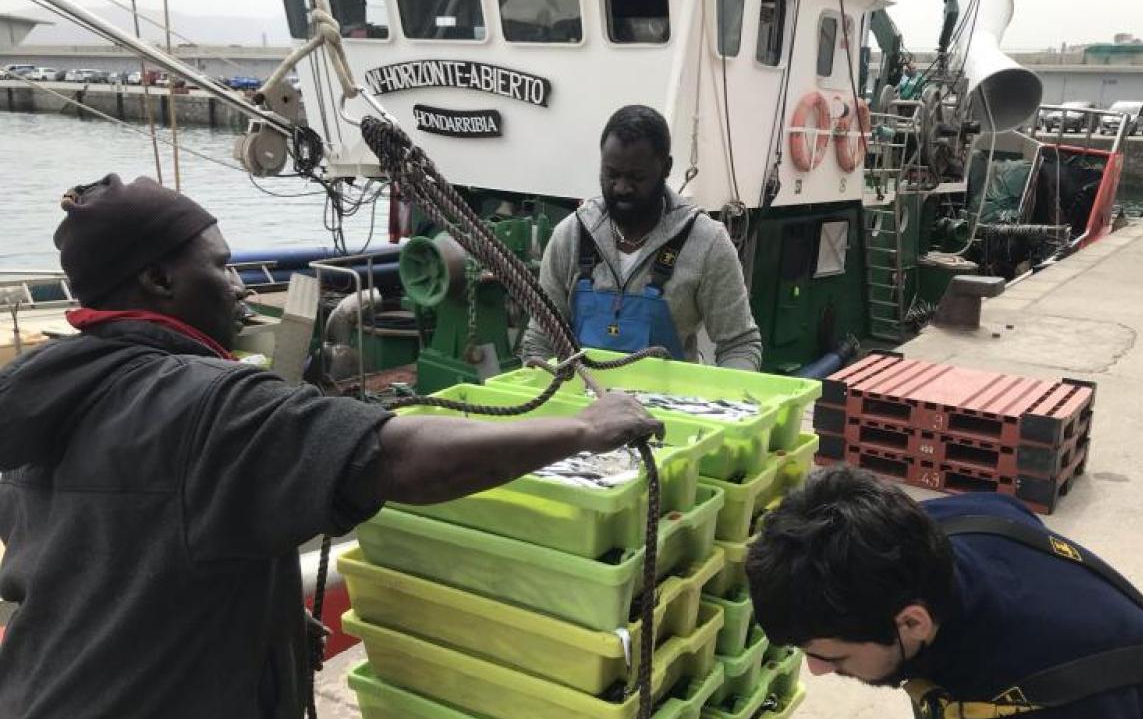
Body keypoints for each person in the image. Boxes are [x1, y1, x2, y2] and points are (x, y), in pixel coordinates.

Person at [0, 174, 663, 719]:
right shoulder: (213, 406)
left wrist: (264, 622)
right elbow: (395, 456)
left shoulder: (48, 394)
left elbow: (126, 556)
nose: (239, 287)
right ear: (159, 282)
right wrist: (584, 428)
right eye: (223, 266)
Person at [746, 468, 1143, 718]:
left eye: (836, 658)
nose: (817, 670)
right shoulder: (932, 533)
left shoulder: (1044, 696)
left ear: (913, 622)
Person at [522, 105, 762, 369]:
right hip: (584, 404)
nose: (622, 188)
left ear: (666, 168)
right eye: (612, 175)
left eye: (637, 177)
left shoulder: (708, 243)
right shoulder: (570, 236)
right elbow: (540, 339)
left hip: (668, 407)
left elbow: (739, 344)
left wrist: (729, 401)